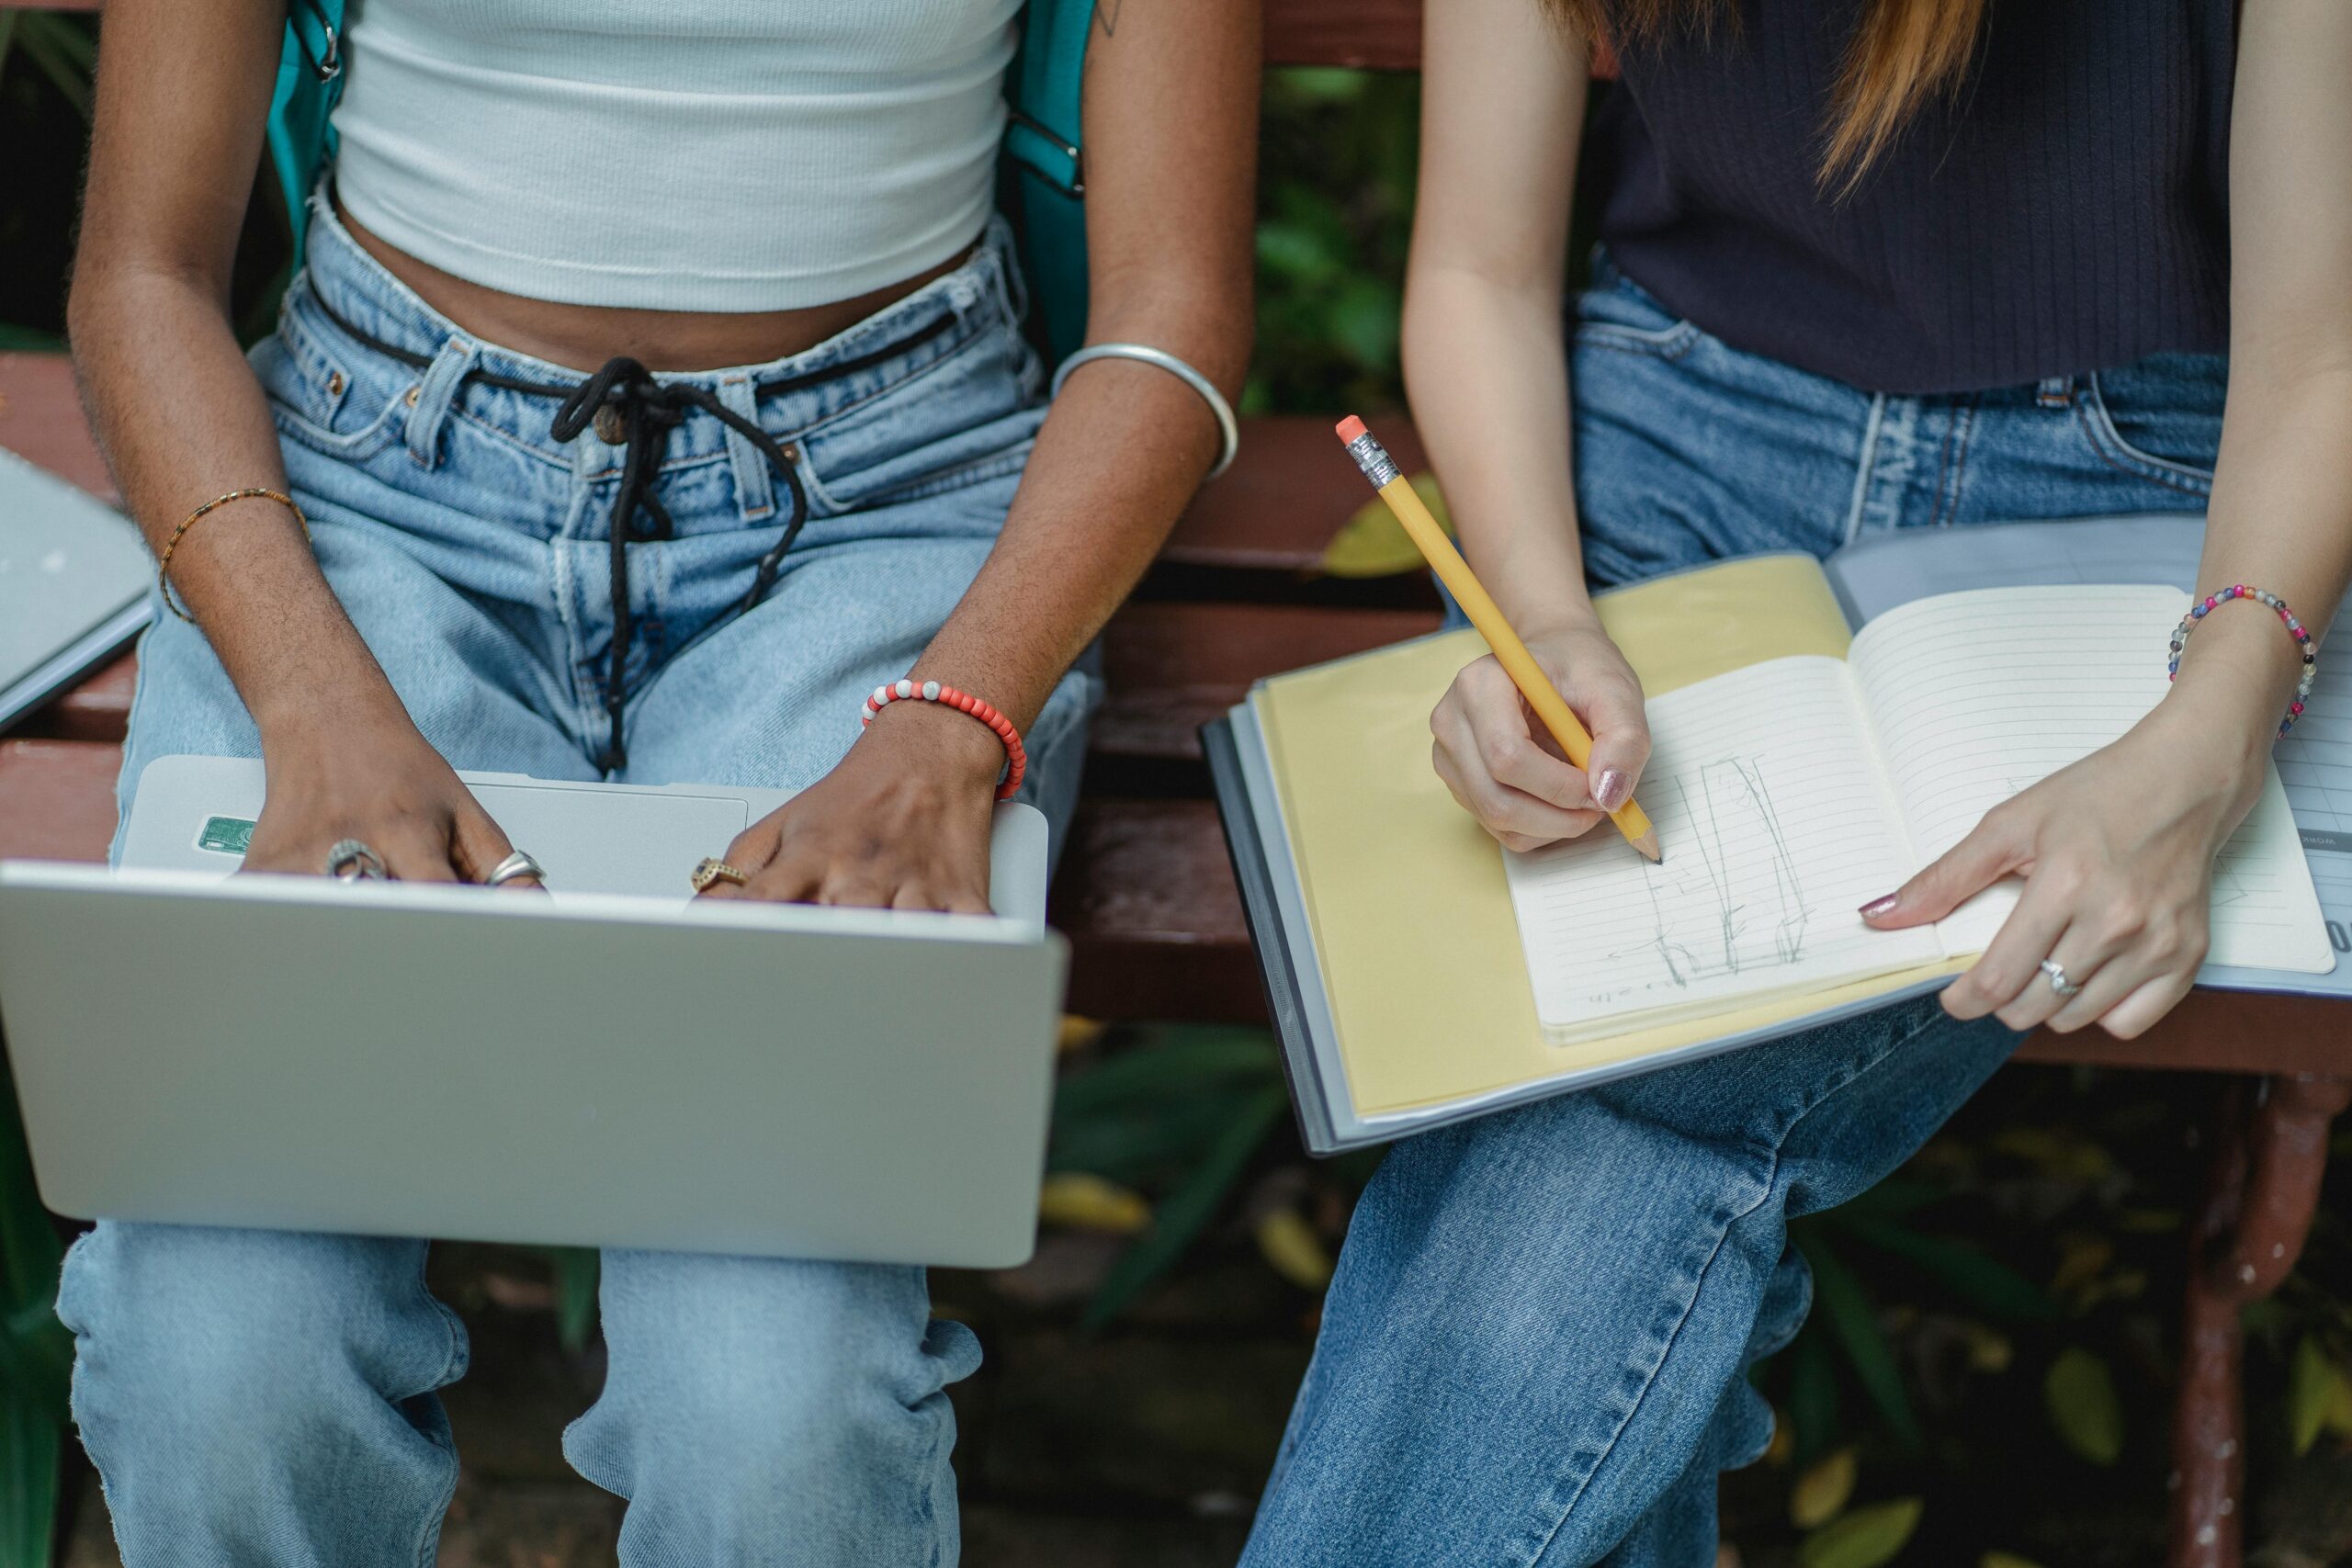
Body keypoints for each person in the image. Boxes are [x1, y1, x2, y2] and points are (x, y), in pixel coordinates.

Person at [55, 1, 1255, 1562]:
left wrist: (949, 719)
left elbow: (1174, 321)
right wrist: (308, 691)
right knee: (219, 1362)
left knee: (776, 1409)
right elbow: (141, 273)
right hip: (357, 510)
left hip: (884, 532)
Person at [1241, 0, 2352, 1562]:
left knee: (1588, 1122)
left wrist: (2208, 733)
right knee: (1611, 1113)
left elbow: (2322, 353)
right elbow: (1478, 272)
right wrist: (1542, 616)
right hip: (1665, 437)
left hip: (2148, 483)